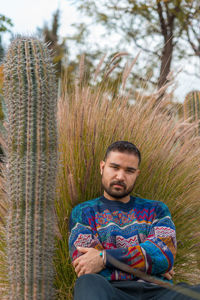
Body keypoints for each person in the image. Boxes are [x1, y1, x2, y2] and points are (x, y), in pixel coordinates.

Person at [69, 141, 200, 300]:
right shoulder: (83, 212)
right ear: (102, 167)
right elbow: (86, 265)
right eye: (114, 167)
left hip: (158, 292)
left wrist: (104, 257)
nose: (120, 176)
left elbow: (164, 256)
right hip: (110, 291)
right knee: (88, 282)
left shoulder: (156, 210)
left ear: (137, 174)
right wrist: (149, 265)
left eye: (129, 171)